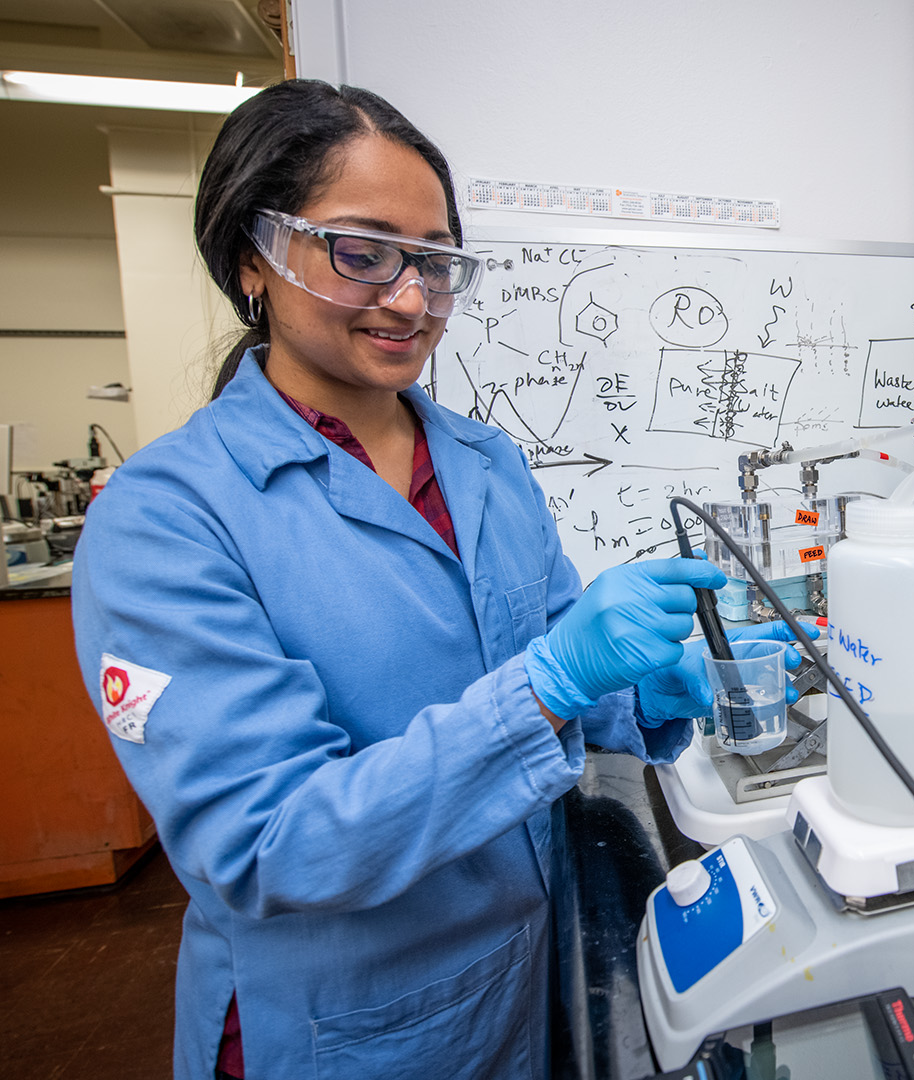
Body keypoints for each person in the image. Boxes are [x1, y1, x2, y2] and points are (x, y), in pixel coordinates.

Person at [70, 79, 806, 1080]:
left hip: (530, 978)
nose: (412, 299)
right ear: (255, 254)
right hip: (351, 1029)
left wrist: (647, 690)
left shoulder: (484, 464)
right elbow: (264, 843)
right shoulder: (166, 518)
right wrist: (549, 680)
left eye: (435, 262)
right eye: (362, 253)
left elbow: (558, 700)